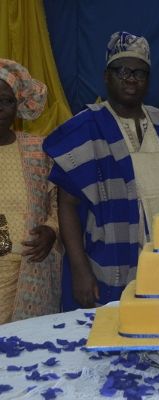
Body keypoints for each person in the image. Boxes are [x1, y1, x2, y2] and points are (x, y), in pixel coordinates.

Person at [43, 31, 159, 311]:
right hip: (106, 262)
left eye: (139, 72)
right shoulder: (86, 127)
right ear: (106, 76)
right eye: (122, 71)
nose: (131, 78)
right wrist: (80, 269)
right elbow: (67, 204)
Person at [0, 59, 61, 323]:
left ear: (18, 105)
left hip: (31, 268)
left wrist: (51, 229)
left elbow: (57, 202)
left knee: (27, 343)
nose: (0, 107)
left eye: (7, 100)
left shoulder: (38, 149)